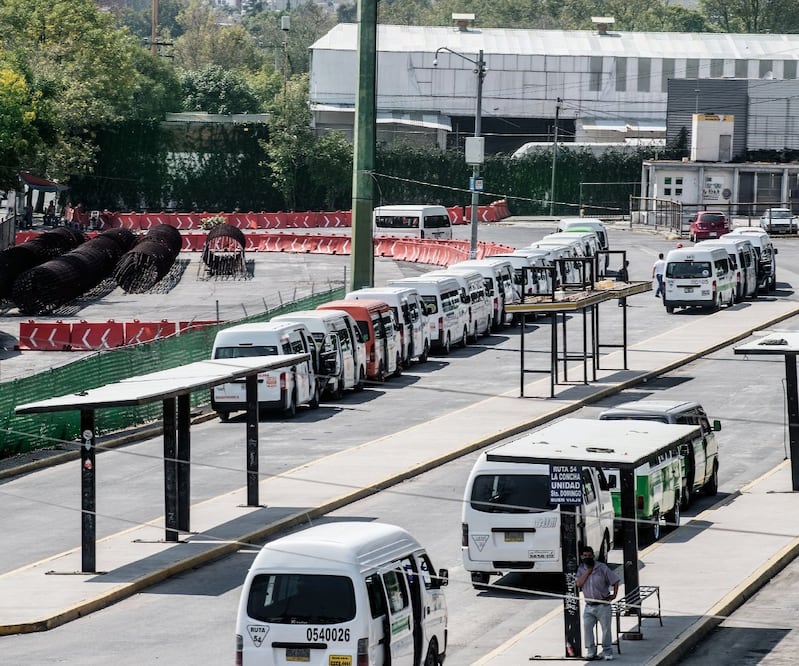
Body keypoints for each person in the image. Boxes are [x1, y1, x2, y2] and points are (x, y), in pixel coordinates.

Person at [576, 545, 620, 661]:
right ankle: (591, 652)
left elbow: (615, 580)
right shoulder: (581, 569)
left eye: (589, 555)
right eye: (585, 556)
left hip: (603, 605)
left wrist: (614, 594)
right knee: (587, 628)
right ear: (581, 557)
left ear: (593, 556)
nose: (587, 557)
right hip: (589, 605)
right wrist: (588, 571)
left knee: (606, 629)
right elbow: (579, 584)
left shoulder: (602, 568)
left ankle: (607, 651)